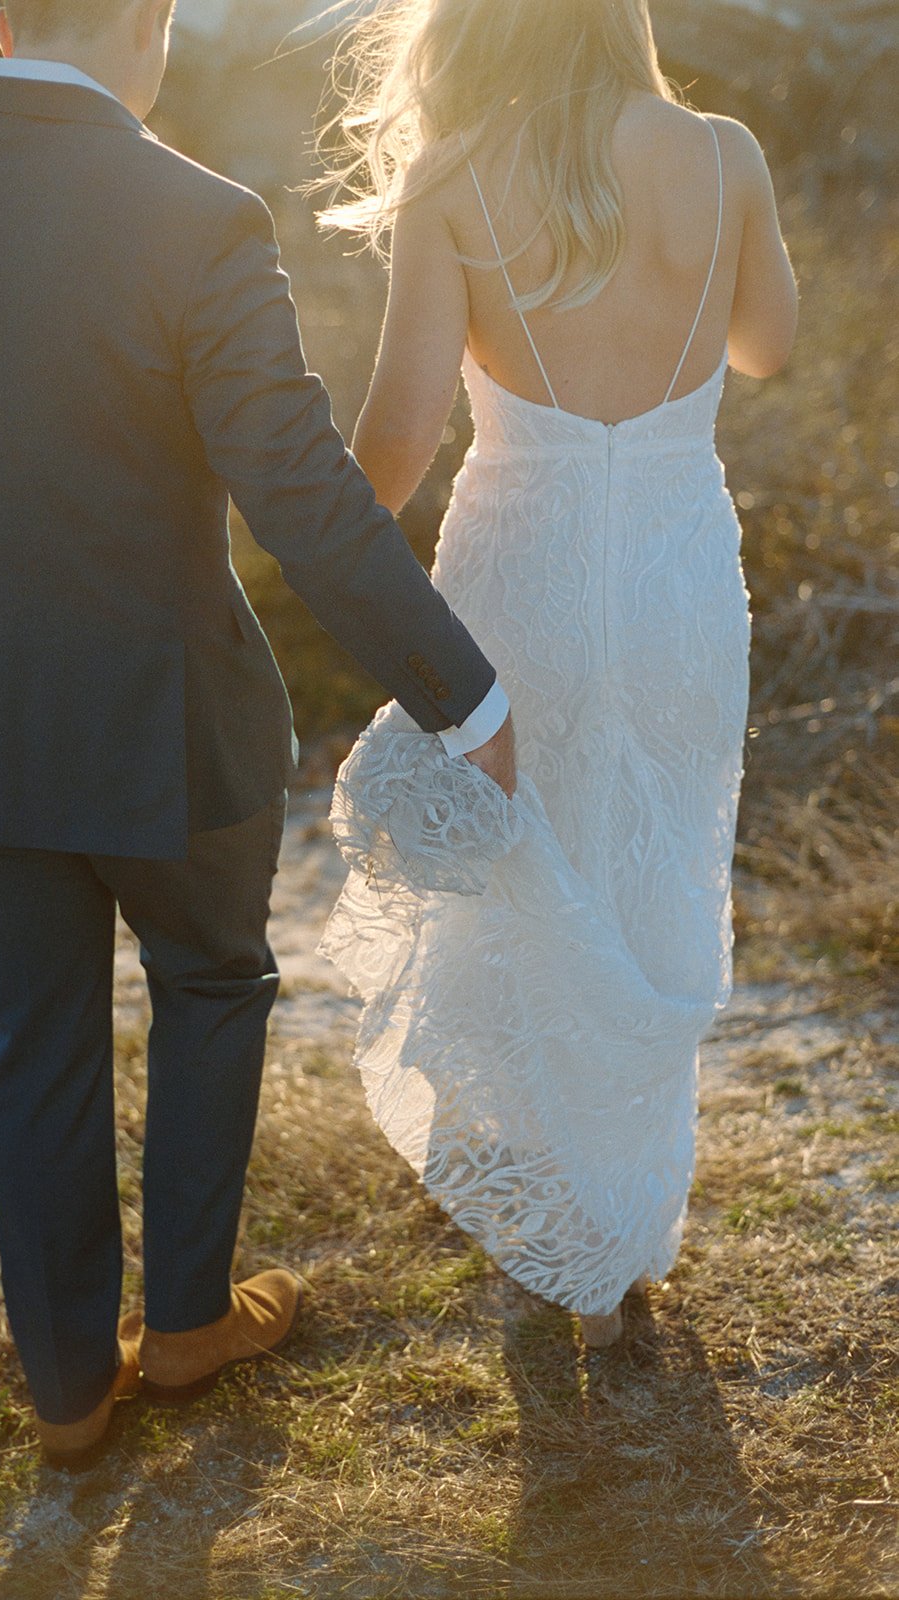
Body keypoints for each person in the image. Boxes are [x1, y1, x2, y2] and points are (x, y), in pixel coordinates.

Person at [0, 0, 517, 1468]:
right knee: (212, 981)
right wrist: (465, 692)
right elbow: (301, 490)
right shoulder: (197, 213)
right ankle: (193, 1322)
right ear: (147, 24)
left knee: (33, 1035)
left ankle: (71, 1390)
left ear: (8, 19)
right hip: (171, 714)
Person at [318, 0, 797, 1347]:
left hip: (516, 571)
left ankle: (553, 1229)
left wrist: (323, 564)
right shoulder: (726, 154)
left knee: (525, 871)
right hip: (673, 572)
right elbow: (771, 347)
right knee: (653, 873)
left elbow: (403, 429)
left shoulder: (456, 173)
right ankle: (624, 1243)